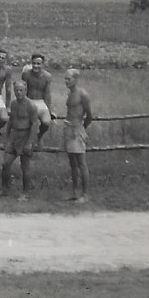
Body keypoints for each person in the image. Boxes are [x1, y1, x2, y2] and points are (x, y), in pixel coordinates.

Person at [0, 81, 39, 201]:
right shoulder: (13, 104)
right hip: (14, 135)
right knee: (6, 163)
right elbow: (11, 120)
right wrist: (6, 136)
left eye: (21, 90)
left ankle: (26, 192)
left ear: (25, 91)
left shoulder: (31, 105)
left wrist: (29, 142)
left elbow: (35, 125)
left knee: (25, 166)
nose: (18, 92)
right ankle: (4, 189)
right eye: (16, 90)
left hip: (26, 135)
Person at [63, 69, 93, 203]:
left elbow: (89, 115)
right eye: (65, 78)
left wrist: (81, 129)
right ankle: (75, 192)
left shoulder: (83, 94)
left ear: (75, 79)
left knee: (81, 163)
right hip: (68, 128)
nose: (66, 81)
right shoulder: (70, 93)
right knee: (73, 163)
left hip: (77, 129)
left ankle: (85, 194)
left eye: (68, 79)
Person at [22, 53, 54, 148]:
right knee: (30, 123)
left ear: (43, 64)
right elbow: (23, 90)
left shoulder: (47, 76)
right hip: (29, 100)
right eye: (34, 63)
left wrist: (49, 109)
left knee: (46, 123)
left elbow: (47, 94)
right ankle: (28, 142)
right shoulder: (26, 74)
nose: (36, 66)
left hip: (41, 102)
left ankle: (39, 136)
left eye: (38, 64)